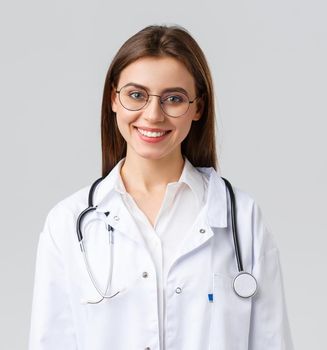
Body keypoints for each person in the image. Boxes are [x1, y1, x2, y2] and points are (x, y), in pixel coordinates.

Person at [28, 24, 294, 350]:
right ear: (114, 99)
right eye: (136, 95)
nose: (153, 115)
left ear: (198, 108)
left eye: (174, 98)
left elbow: (271, 342)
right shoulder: (67, 222)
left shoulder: (241, 217)